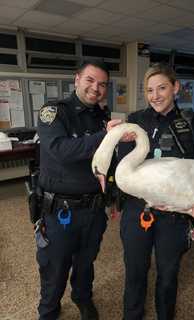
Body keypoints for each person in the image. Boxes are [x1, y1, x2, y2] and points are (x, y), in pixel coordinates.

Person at [118, 63, 194, 320]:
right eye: (150, 90)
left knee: (168, 276)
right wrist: (118, 140)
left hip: (174, 218)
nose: (155, 96)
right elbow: (124, 167)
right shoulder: (136, 121)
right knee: (135, 273)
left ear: (176, 88)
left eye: (162, 88)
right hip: (138, 211)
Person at [36, 60, 122, 320]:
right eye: (90, 80)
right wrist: (104, 137)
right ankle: (49, 309)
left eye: (102, 84)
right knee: (55, 265)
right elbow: (59, 151)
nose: (96, 88)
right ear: (77, 80)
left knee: (86, 261)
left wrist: (115, 194)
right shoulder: (54, 111)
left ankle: (82, 297)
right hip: (60, 210)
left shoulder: (102, 117)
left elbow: (109, 162)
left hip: (94, 209)